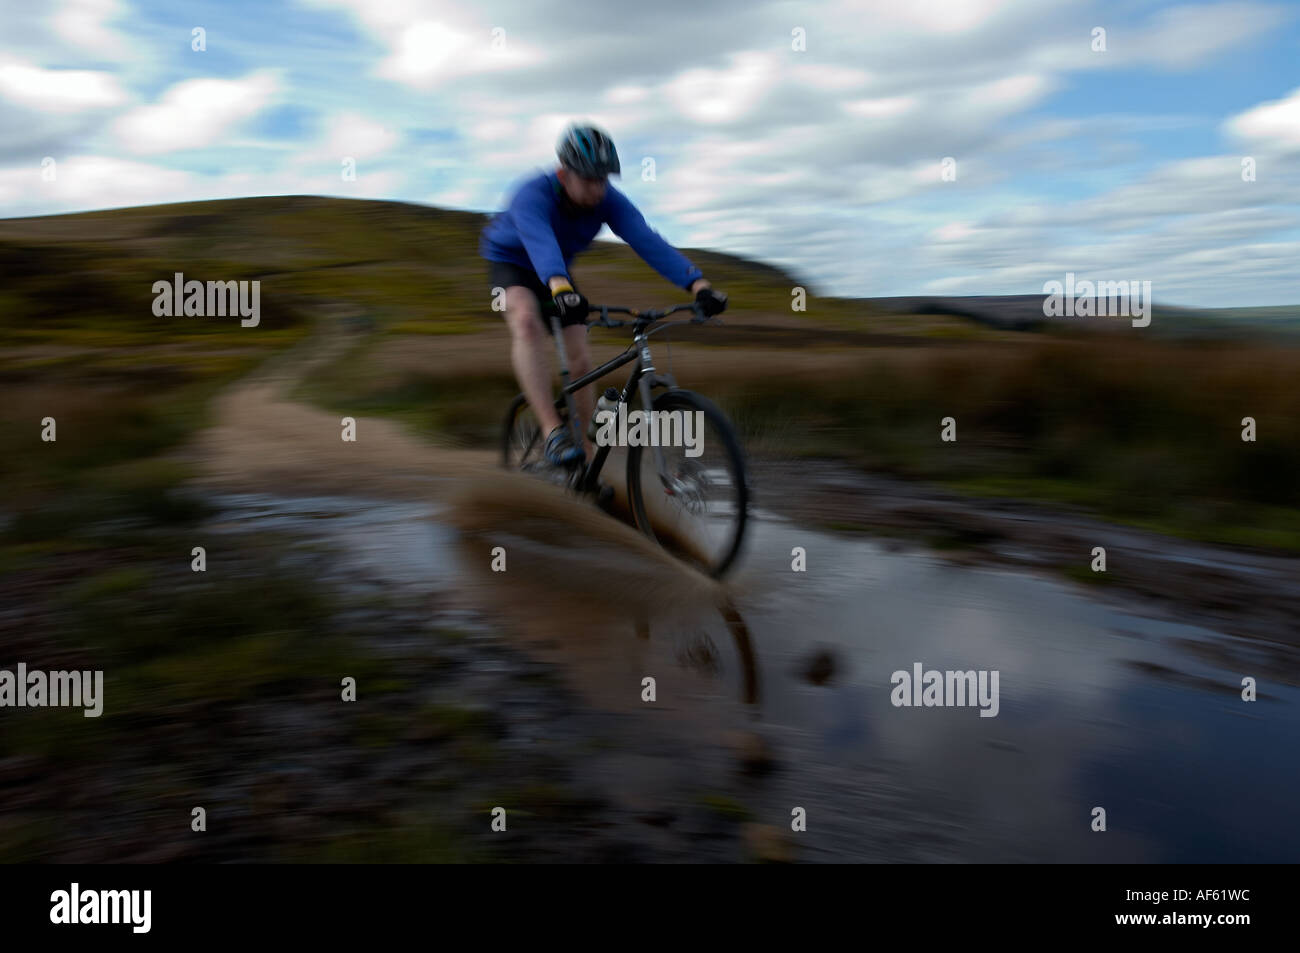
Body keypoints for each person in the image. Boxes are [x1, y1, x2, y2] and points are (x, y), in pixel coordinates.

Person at [480, 121, 728, 466]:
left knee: (580, 357)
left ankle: (586, 453)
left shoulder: (607, 201)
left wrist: (699, 285)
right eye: (590, 179)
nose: (599, 188)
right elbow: (541, 242)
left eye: (604, 179)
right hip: (514, 264)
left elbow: (647, 240)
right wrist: (560, 288)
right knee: (525, 321)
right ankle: (552, 432)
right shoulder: (532, 194)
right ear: (565, 173)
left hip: (558, 275)